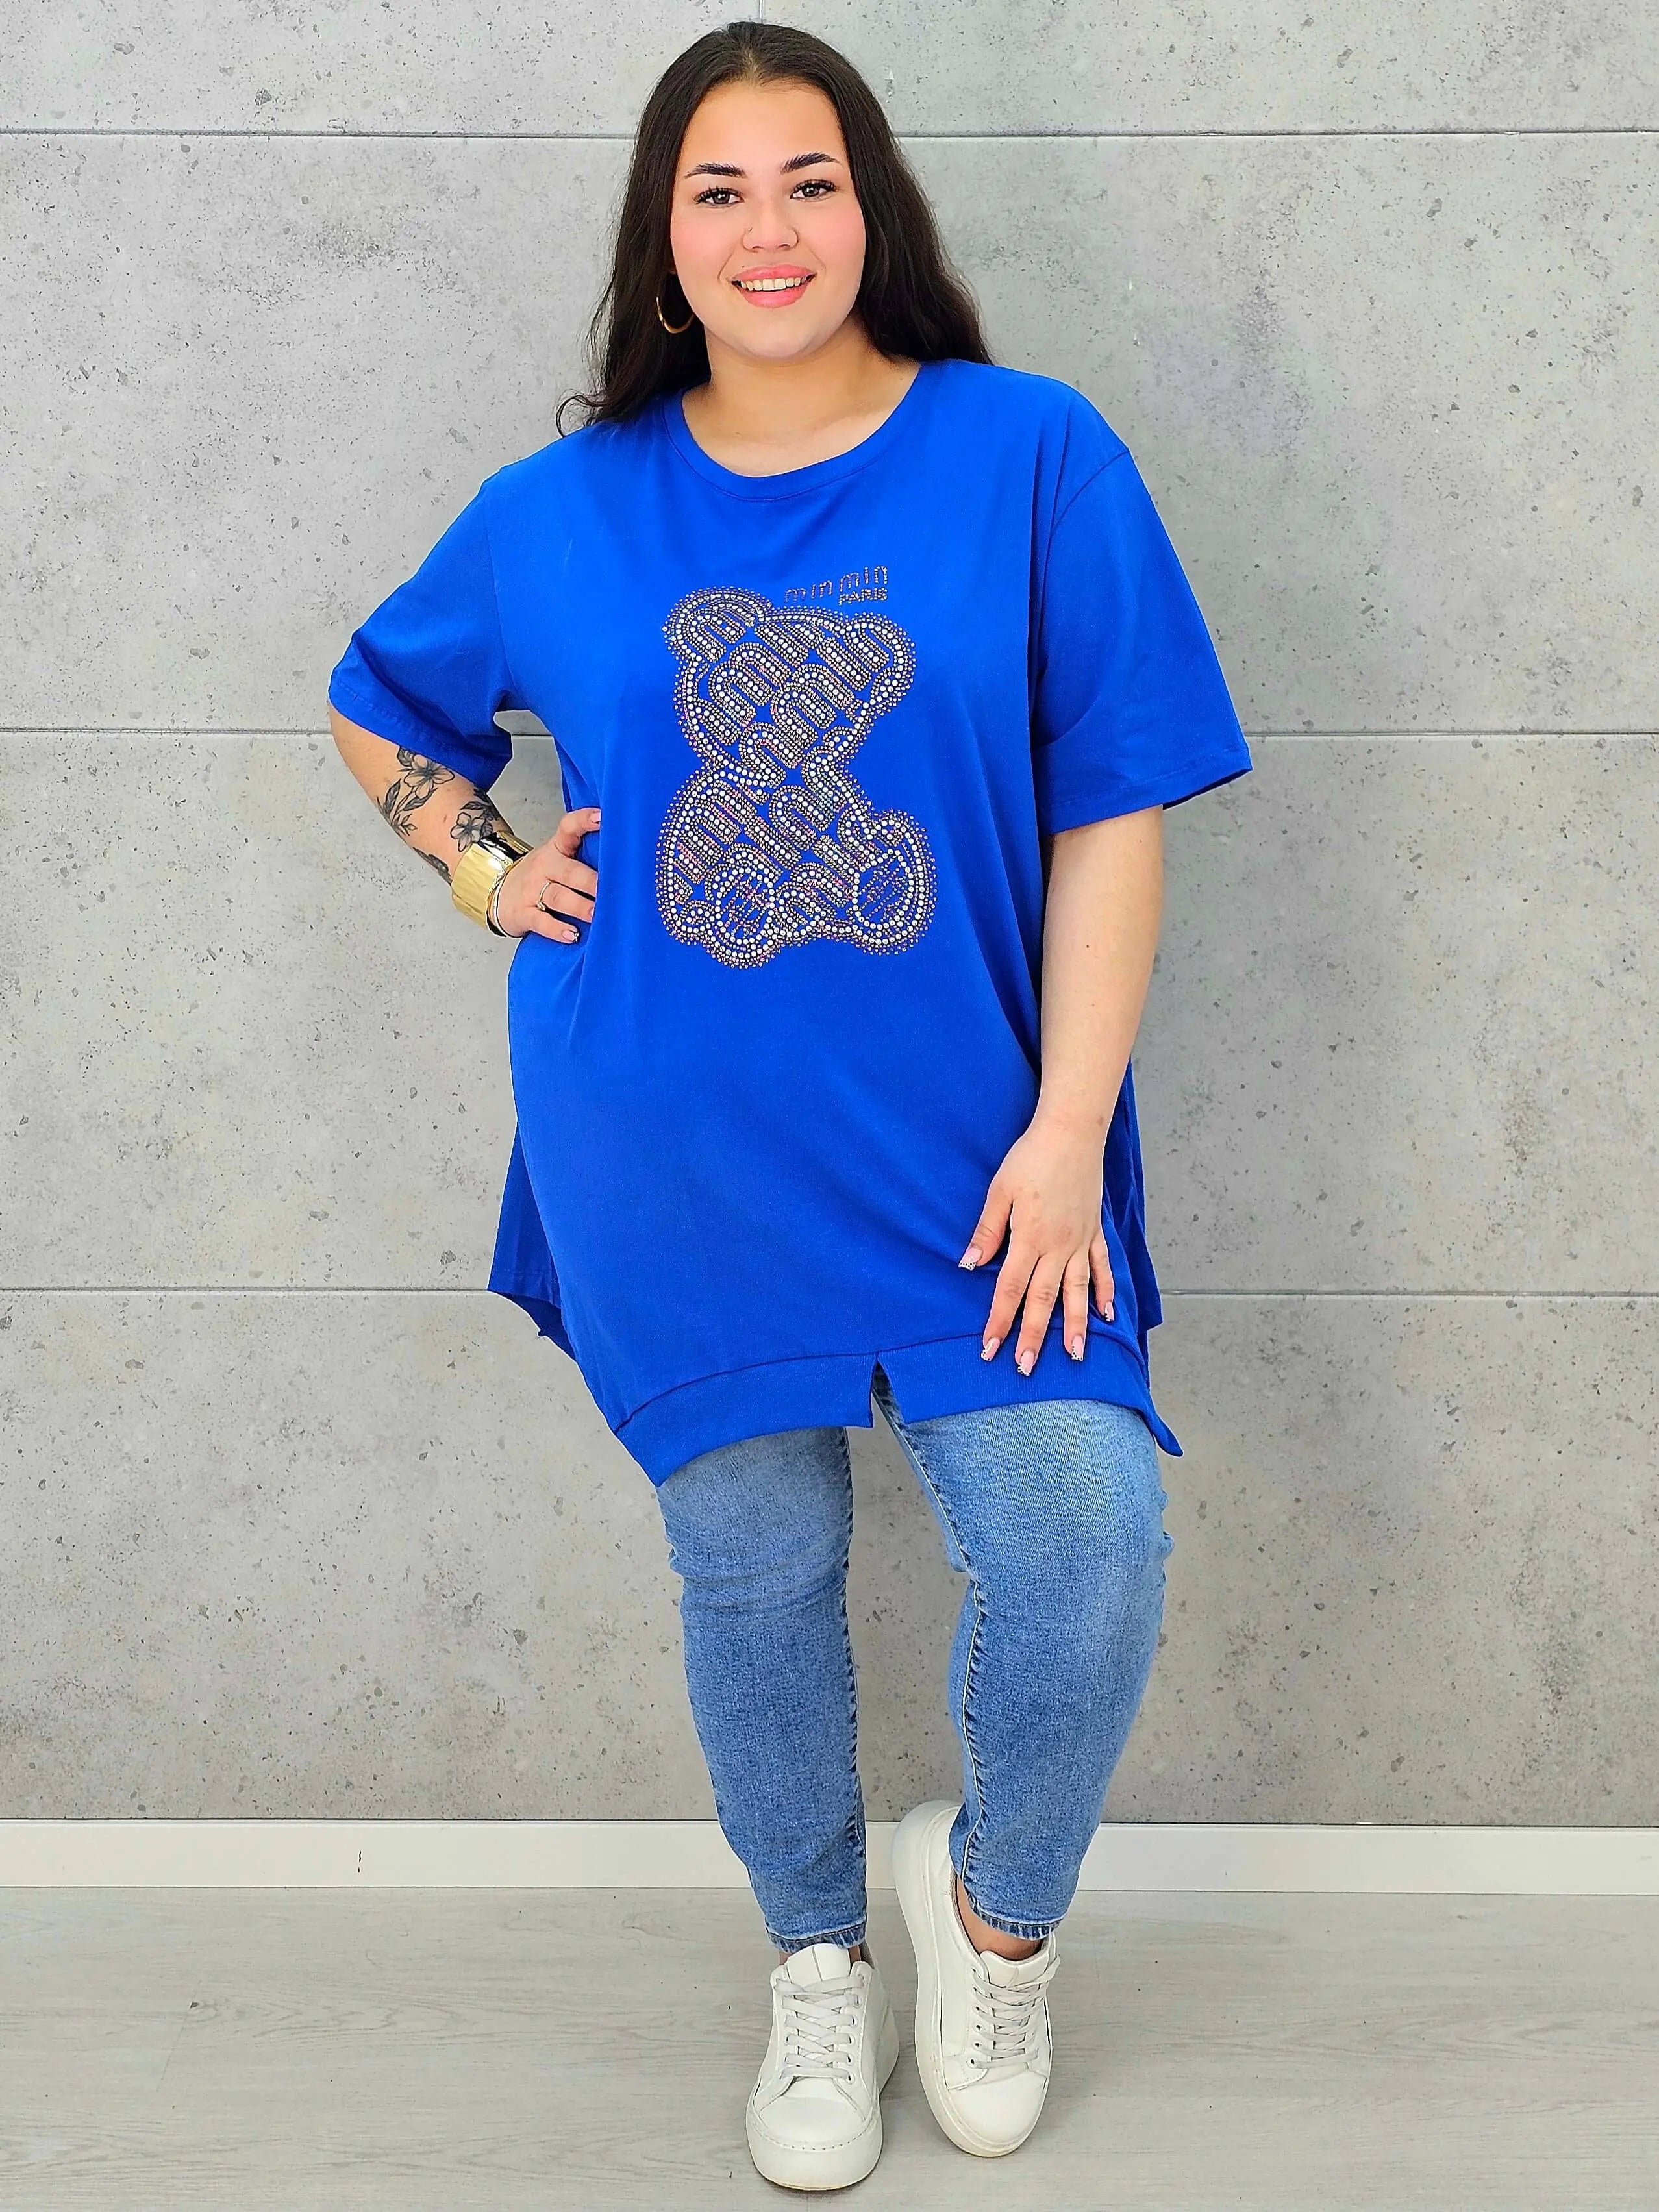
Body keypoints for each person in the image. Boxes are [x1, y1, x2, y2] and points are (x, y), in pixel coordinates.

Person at [327, 19, 1251, 2191]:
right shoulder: (554, 511)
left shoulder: (1028, 454)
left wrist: (1066, 1130)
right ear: (662, 241)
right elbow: (379, 703)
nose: (769, 230)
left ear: (873, 209)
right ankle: (816, 1968)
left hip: (974, 1140)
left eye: (809, 181)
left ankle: (992, 1927)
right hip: (663, 1141)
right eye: (719, 190)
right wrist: (483, 867)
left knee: (1083, 1538)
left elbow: (1113, 809)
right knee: (752, 1571)